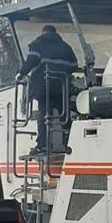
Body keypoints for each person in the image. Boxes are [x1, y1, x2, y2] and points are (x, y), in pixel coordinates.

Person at [14, 24, 78, 154]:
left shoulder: (38, 44)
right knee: (64, 117)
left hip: (44, 88)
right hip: (62, 87)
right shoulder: (66, 47)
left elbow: (32, 60)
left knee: (43, 116)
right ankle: (68, 143)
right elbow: (74, 65)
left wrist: (21, 73)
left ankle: (42, 145)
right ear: (55, 33)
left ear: (43, 32)